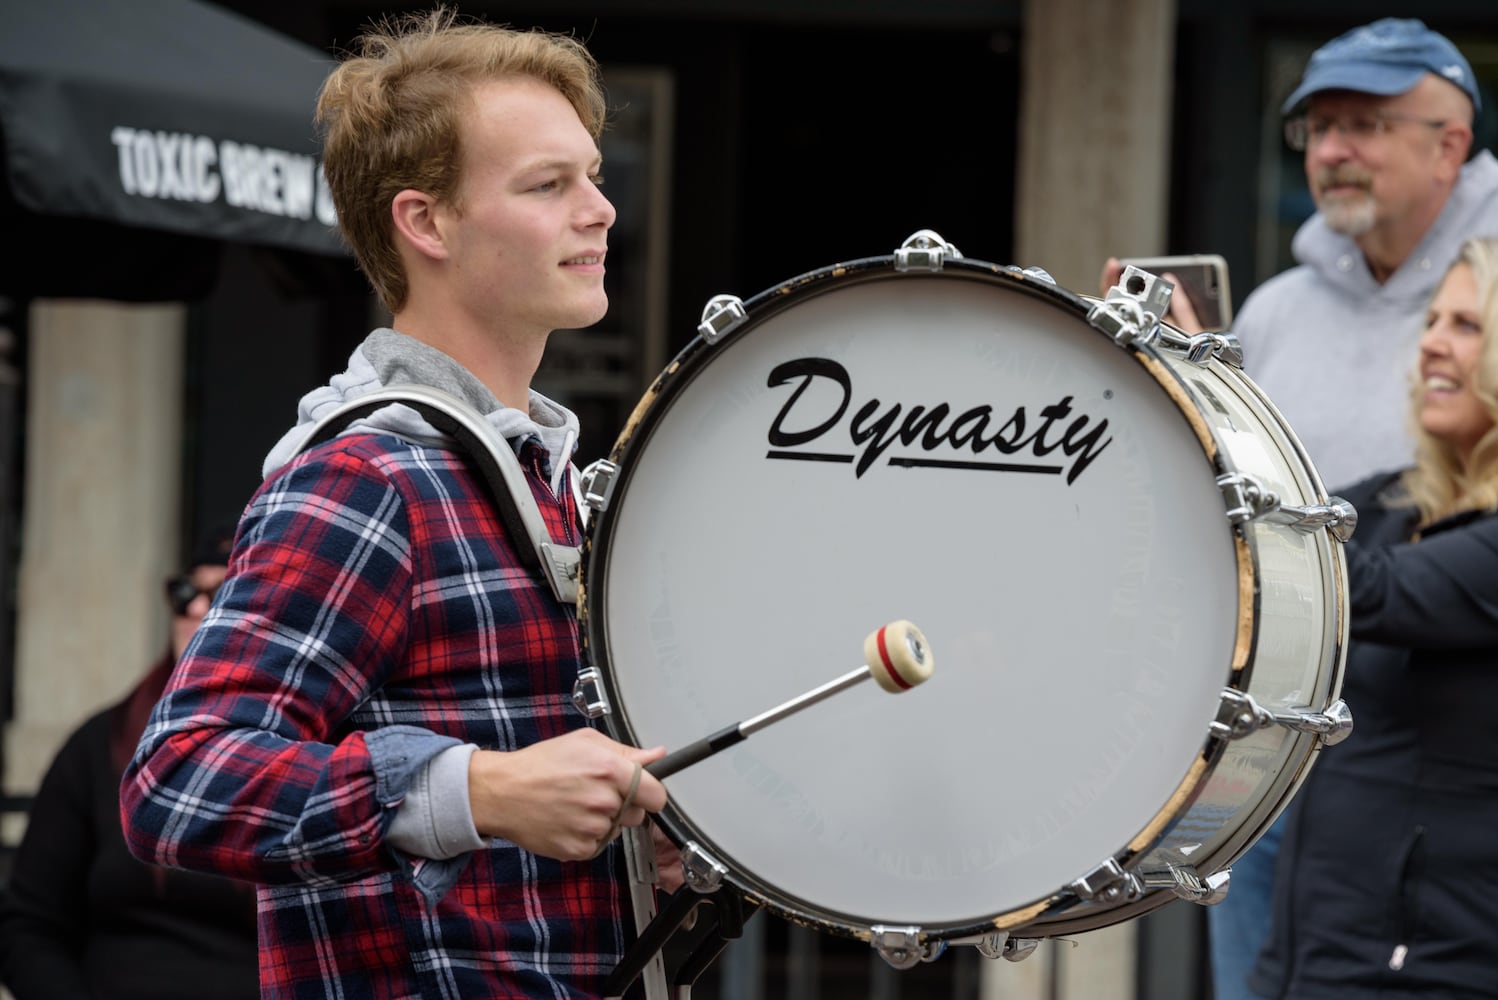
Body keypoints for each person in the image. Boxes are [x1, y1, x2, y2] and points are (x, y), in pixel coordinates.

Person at [119, 9, 676, 998]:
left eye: (592, 175)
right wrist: (476, 790)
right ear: (426, 222)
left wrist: (646, 854)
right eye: (548, 185)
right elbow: (180, 779)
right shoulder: (366, 477)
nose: (600, 209)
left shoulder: (551, 487)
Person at [1103, 20, 1498, 998]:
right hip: (1270, 758)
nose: (1330, 152)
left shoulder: (1489, 280)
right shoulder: (1280, 307)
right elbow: (1280, 519)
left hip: (1441, 785)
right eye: (1315, 129)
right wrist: (1174, 386)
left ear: (1449, 141)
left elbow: (1351, 574)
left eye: (1362, 124)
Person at [1248, 235, 1498, 996]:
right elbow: (1275, 529)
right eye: (1431, 321)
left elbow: (1359, 584)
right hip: (1310, 952)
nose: (1431, 344)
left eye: (1467, 326)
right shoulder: (1391, 502)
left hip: (1434, 967)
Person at [0, 527, 258, 1000]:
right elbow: (29, 925)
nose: (196, 610)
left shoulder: (314, 754)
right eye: (185, 593)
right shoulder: (103, 743)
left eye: (222, 594)